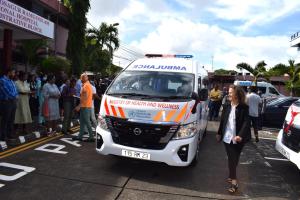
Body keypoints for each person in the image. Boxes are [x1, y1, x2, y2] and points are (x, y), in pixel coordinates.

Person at [216, 85, 251, 194]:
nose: (229, 94)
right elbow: (223, 121)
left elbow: (246, 123)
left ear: (237, 95)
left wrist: (240, 135)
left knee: (234, 159)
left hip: (239, 139)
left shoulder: (244, 107)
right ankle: (234, 180)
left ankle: (232, 177)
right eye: (229, 92)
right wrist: (219, 133)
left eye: (231, 93)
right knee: (232, 159)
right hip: (227, 137)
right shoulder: (226, 106)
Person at [73, 73, 94, 142]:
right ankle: (80, 136)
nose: (81, 79)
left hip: (85, 106)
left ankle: (91, 137)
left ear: (86, 78)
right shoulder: (86, 85)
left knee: (87, 122)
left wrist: (79, 106)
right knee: (82, 122)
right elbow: (84, 97)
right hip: (84, 106)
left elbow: (85, 97)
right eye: (81, 77)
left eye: (82, 78)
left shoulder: (86, 86)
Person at [0, 68, 18, 142]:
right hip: (6, 102)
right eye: (13, 73)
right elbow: (6, 92)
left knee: (11, 119)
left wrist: (15, 96)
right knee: (5, 120)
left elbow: (15, 90)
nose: (14, 74)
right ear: (9, 72)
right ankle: (3, 136)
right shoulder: (2, 80)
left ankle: (9, 134)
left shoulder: (11, 81)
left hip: (13, 102)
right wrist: (15, 96)